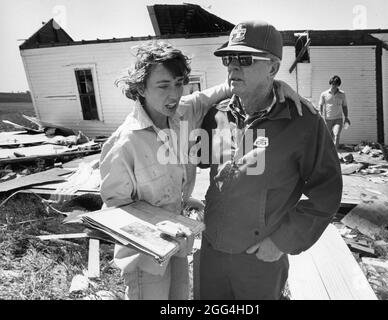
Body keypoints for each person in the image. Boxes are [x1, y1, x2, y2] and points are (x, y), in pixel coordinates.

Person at [99, 41, 314, 300]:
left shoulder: (185, 112)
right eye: (163, 85)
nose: (174, 94)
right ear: (140, 88)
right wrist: (159, 221)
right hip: (144, 257)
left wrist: (275, 85)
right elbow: (115, 211)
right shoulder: (125, 142)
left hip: (178, 245)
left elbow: (230, 87)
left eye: (179, 83)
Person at [198, 20, 343, 300]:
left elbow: (327, 194)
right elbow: (194, 157)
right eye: (228, 59)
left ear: (273, 68)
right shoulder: (217, 115)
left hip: (259, 261)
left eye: (244, 59)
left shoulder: (304, 123)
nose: (232, 67)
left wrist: (281, 242)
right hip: (212, 253)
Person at [319, 75, 350, 149]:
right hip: (327, 119)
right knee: (327, 138)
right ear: (330, 83)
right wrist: (321, 116)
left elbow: (344, 106)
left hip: (338, 119)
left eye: (336, 84)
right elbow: (321, 105)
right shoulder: (324, 94)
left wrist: (346, 117)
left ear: (338, 85)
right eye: (333, 83)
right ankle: (327, 154)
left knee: (336, 135)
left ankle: (335, 154)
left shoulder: (342, 94)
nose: (334, 86)